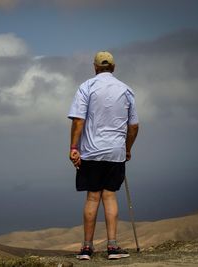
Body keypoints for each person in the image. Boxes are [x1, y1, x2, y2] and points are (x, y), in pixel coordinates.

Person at [67, 51, 139, 260]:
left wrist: (74, 147)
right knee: (109, 195)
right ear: (114, 67)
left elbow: (78, 121)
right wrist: (127, 149)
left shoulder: (86, 87)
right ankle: (113, 247)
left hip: (91, 151)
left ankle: (86, 248)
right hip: (115, 152)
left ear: (95, 67)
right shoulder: (126, 90)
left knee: (92, 197)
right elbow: (133, 126)